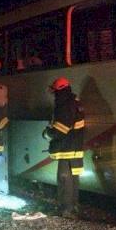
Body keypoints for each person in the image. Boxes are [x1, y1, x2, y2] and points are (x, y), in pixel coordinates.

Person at [43, 77, 85, 219]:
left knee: (64, 179)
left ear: (59, 91)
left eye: (54, 91)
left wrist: (47, 134)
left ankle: (65, 209)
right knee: (73, 180)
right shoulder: (75, 102)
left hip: (66, 148)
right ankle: (73, 207)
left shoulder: (64, 105)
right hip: (75, 147)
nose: (54, 95)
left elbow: (60, 130)